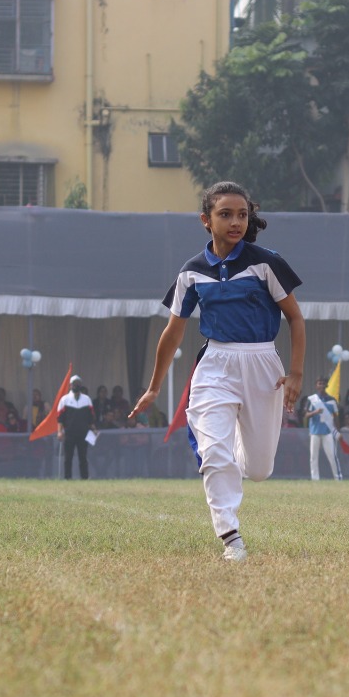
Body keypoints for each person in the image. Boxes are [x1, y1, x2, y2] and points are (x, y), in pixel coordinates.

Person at [130, 180, 305, 561]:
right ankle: (231, 537)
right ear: (205, 220)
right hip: (215, 364)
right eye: (225, 214)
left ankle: (233, 450)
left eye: (242, 215)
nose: (235, 222)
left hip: (262, 363)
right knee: (213, 453)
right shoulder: (191, 272)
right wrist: (154, 388)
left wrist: (296, 373)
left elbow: (295, 318)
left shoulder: (266, 263)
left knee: (258, 469)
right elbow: (173, 332)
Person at [304, 376, 342, 482]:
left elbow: (336, 417)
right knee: (313, 457)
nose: (321, 385)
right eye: (319, 383)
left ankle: (338, 478)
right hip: (314, 431)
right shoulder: (311, 399)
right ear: (316, 386)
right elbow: (306, 415)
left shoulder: (332, 400)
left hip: (327, 432)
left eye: (323, 383)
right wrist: (315, 412)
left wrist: (338, 431)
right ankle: (315, 479)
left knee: (332, 456)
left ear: (326, 385)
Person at [58, 376, 96, 480]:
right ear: (70, 385)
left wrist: (94, 429)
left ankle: (84, 477)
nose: (76, 385)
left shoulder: (86, 399)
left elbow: (91, 417)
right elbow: (60, 418)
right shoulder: (64, 399)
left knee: (83, 457)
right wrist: (59, 432)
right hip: (69, 433)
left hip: (83, 433)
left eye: (78, 383)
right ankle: (67, 478)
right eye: (74, 384)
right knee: (68, 457)